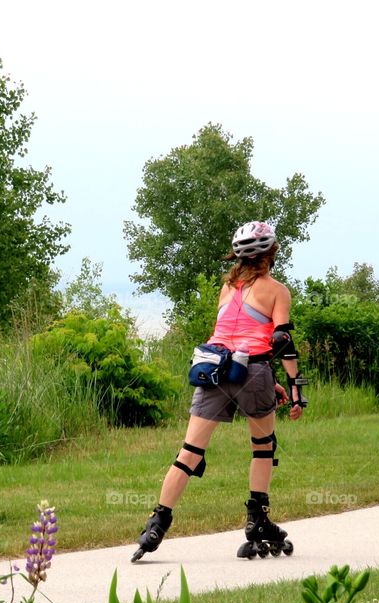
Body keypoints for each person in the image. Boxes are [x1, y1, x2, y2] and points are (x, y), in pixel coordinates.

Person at [131, 221, 308, 562]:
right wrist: (294, 389)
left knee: (189, 453)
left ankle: (157, 523)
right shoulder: (277, 290)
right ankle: (257, 521)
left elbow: (232, 335)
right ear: (271, 254)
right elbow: (281, 341)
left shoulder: (227, 288)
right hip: (253, 371)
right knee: (262, 448)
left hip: (213, 369)